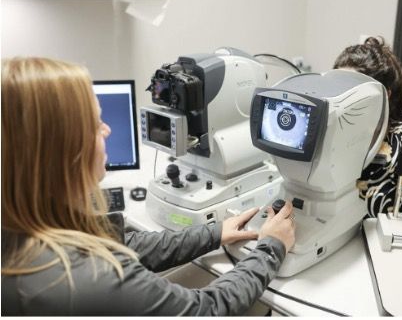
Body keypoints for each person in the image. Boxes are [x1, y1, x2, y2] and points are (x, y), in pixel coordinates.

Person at [1, 57, 296, 316]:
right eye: (95, 123)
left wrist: (214, 233)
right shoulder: (92, 277)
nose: (107, 129)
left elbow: (120, 242)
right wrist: (271, 247)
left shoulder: (24, 228)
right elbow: (205, 310)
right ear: (63, 150)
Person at [333, 36, 402, 217]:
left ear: (384, 96)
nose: (342, 100)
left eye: (353, 92)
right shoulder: (329, 133)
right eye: (336, 88)